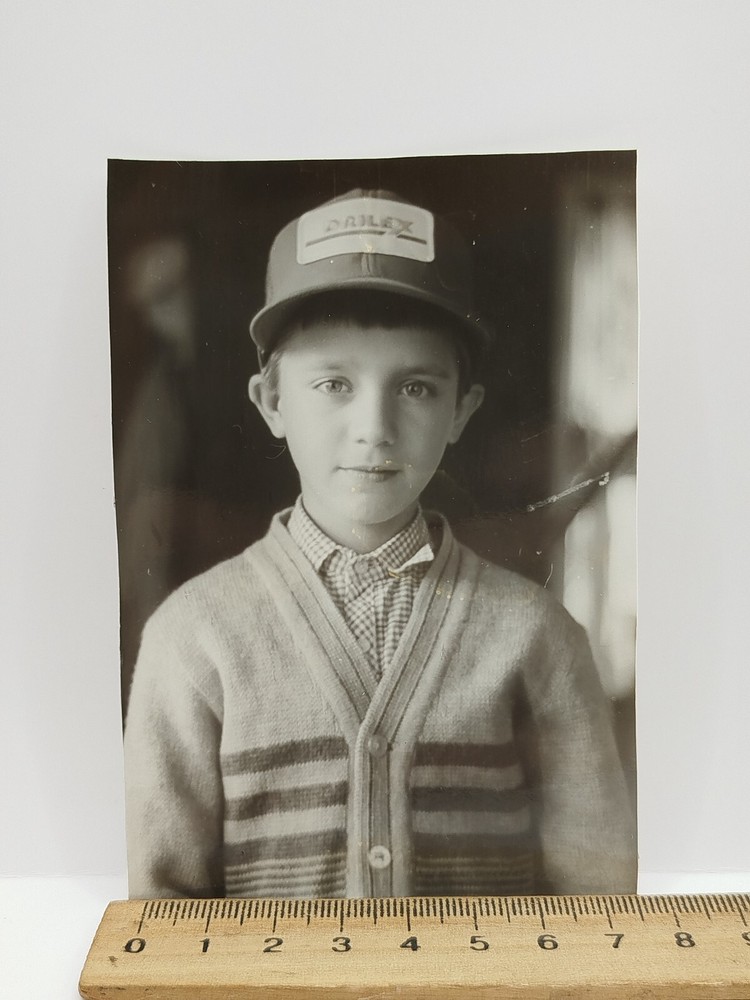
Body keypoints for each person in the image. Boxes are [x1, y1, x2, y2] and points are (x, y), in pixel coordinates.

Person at [124, 189, 636, 899]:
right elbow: (159, 912)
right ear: (272, 401)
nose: (374, 427)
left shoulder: (538, 637)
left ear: (462, 410)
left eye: (416, 388)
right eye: (334, 382)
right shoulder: (192, 637)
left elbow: (598, 903)